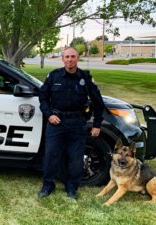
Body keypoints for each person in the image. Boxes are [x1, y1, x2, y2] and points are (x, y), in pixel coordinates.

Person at [38, 47, 105, 200]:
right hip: (56, 123)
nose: (70, 59)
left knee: (76, 159)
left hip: (77, 124)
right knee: (50, 156)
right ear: (62, 59)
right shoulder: (54, 76)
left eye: (73, 56)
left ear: (78, 58)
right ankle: (47, 186)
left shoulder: (86, 78)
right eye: (67, 56)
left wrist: (97, 125)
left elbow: (99, 103)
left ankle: (71, 188)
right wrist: (49, 115)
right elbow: (42, 97)